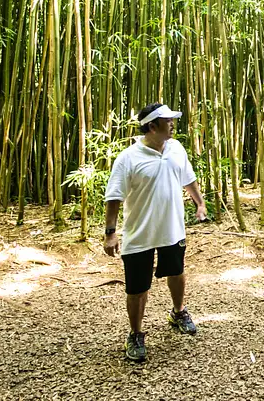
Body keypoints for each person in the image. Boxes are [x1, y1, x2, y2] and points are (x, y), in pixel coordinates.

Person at [104, 103, 207, 362]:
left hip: (172, 229)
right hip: (140, 234)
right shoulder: (128, 158)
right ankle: (136, 334)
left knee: (177, 272)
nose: (173, 124)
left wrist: (200, 202)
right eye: (167, 120)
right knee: (137, 287)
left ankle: (178, 311)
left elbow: (188, 177)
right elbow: (114, 197)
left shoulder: (176, 148)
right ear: (152, 126)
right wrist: (110, 233)